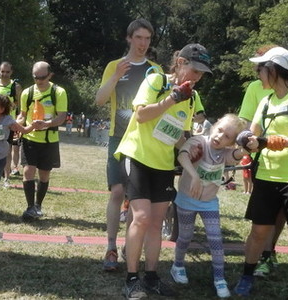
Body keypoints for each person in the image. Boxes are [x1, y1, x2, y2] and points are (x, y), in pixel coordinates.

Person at [114, 43, 213, 299]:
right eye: (194, 70)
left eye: (202, 74)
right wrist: (172, 98)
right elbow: (142, 116)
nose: (197, 77)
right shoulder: (155, 81)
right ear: (180, 62)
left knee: (157, 223)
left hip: (164, 164)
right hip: (136, 155)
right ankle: (132, 279)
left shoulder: (193, 97)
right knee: (142, 218)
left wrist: (194, 148)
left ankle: (151, 277)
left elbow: (180, 135)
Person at [232, 46, 288, 300]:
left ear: (272, 69)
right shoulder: (265, 101)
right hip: (267, 176)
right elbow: (253, 132)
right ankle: (247, 276)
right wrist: (245, 138)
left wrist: (269, 141)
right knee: (259, 232)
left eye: (260, 69)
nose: (257, 74)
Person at [94, 18, 161, 272]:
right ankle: (111, 247)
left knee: (136, 197)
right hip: (117, 138)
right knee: (116, 192)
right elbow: (100, 100)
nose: (143, 43)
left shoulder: (155, 70)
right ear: (129, 38)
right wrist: (116, 76)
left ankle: (128, 245)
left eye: (147, 39)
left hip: (143, 142)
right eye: (139, 38)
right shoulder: (114, 65)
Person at [171, 114, 257, 298]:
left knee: (216, 240)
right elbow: (182, 155)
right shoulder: (199, 141)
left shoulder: (225, 153)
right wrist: (194, 175)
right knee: (185, 237)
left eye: (227, 137)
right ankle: (177, 266)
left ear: (232, 141)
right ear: (214, 125)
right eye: (220, 130)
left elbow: (237, 154)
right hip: (186, 200)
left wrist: (248, 147)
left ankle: (219, 279)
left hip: (209, 203)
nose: (220, 137)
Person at [17, 61, 67, 220]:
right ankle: (30, 207)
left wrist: (46, 124)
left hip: (49, 140)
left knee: (44, 175)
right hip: (29, 138)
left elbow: (61, 117)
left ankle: (38, 205)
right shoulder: (27, 93)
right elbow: (22, 115)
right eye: (35, 77)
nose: (38, 80)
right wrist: (18, 124)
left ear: (50, 75)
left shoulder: (58, 92)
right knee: (28, 171)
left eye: (42, 77)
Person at [0, 61, 22, 189]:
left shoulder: (16, 87)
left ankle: (6, 179)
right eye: (3, 71)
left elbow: (20, 106)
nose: (5, 74)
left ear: (11, 72)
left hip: (8, 124)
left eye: (7, 72)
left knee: (7, 152)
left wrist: (17, 120)